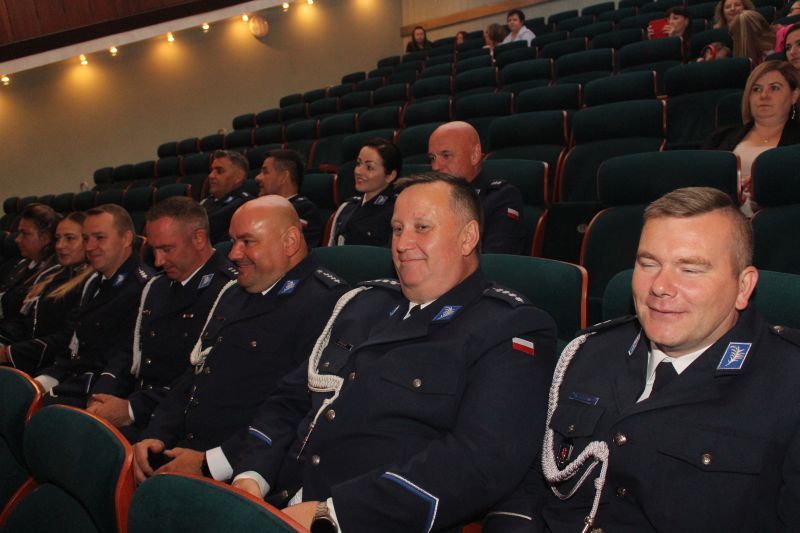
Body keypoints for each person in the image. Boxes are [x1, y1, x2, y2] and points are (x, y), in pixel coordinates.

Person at [230, 173, 557, 532]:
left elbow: (478, 462)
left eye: (422, 228)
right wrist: (252, 475)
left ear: (468, 237)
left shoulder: (509, 327)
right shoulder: (363, 304)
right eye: (397, 229)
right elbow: (289, 399)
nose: (402, 243)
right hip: (276, 501)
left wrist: (334, 514)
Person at [541, 186, 800, 532]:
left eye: (690, 269)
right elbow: (534, 488)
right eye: (648, 264)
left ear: (743, 287)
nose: (660, 286)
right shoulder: (590, 352)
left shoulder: (789, 384)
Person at [131, 195, 348, 485]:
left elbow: (297, 409)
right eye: (233, 241)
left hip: (246, 470)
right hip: (186, 451)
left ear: (290, 242)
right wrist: (157, 433)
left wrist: (210, 464)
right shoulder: (234, 292)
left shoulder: (327, 303)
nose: (233, 254)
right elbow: (195, 374)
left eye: (247, 241)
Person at [85, 197, 237, 442]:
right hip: (138, 405)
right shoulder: (156, 287)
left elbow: (200, 379)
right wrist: (102, 393)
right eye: (154, 250)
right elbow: (129, 351)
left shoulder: (228, 290)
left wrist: (132, 408)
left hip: (176, 423)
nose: (158, 261)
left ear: (198, 238)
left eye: (167, 249)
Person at [36, 204, 153, 405]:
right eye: (86, 238)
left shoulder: (143, 287)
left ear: (126, 238)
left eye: (99, 238)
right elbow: (75, 345)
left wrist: (95, 398)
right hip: (73, 378)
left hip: (101, 391)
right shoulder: (94, 281)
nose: (89, 247)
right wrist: (49, 378)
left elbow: (124, 360)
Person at [0, 212, 92, 376]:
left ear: (88, 241)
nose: (60, 246)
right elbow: (25, 322)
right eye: (58, 238)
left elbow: (67, 338)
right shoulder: (56, 274)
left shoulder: (90, 283)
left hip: (53, 366)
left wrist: (9, 353)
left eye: (69, 238)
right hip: (27, 355)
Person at [706, 61, 800, 215]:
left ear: (794, 96)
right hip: (723, 218)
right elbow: (701, 184)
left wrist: (764, 189)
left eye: (774, 88)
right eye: (756, 89)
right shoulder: (720, 137)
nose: (764, 95)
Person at [428, 121, 527, 254]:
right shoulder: (429, 197)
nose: (435, 166)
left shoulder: (499, 197)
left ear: (474, 155)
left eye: (446, 155)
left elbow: (495, 259)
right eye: (432, 158)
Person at [328, 139, 400, 247]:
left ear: (390, 176)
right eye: (358, 163)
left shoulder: (397, 210)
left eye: (369, 167)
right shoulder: (346, 207)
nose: (358, 171)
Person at [0, 203, 57, 336]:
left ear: (45, 238)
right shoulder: (21, 263)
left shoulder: (52, 274)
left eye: (25, 234)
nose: (17, 240)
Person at [254, 149, 323, 248]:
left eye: (265, 172)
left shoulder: (303, 210)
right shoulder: (257, 207)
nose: (257, 178)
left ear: (283, 177)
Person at [201, 149, 253, 245]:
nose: (211, 176)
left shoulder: (245, 205)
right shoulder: (206, 201)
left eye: (219, 171)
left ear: (238, 177)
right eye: (211, 170)